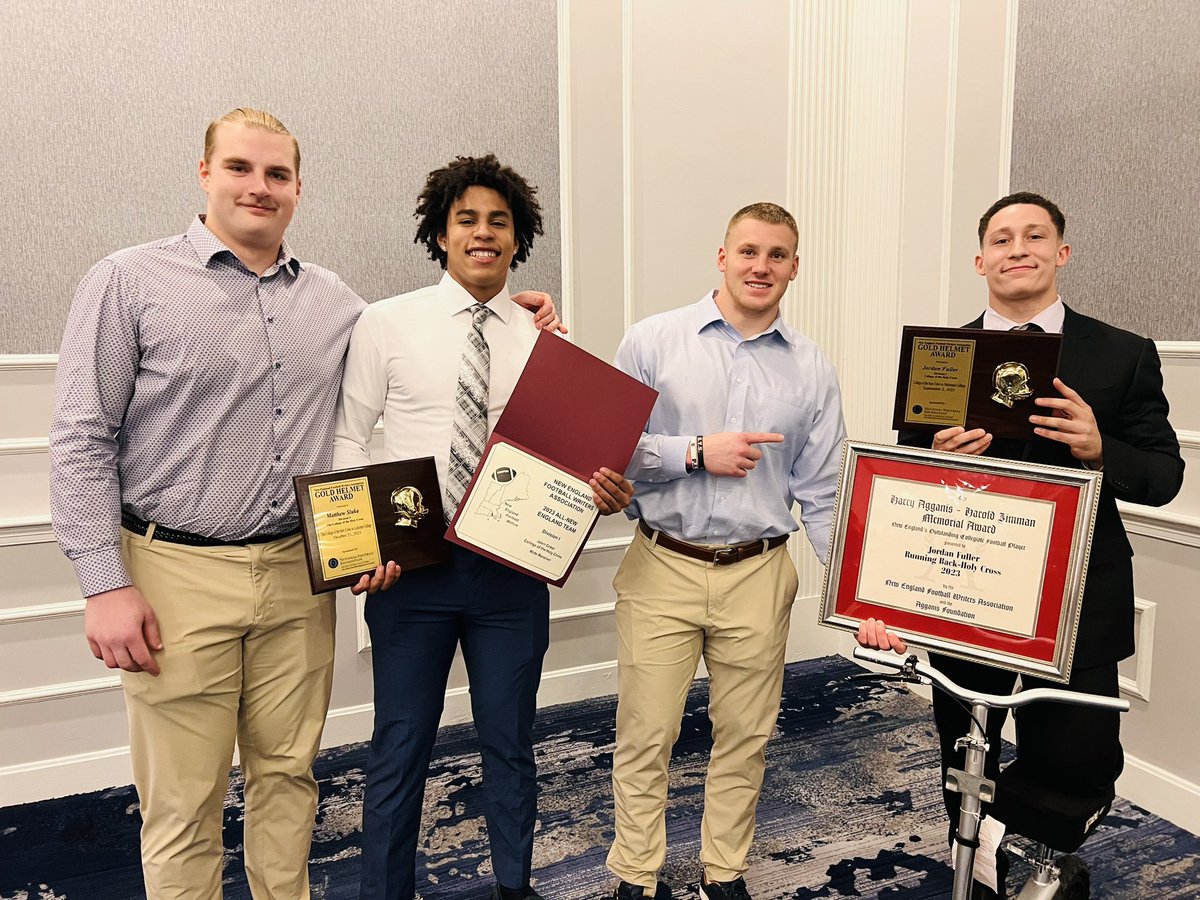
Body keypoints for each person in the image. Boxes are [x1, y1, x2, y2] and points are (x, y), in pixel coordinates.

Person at [48, 110, 562, 899]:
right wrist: (102, 580)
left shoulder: (336, 303)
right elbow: (82, 436)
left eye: (278, 175)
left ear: (297, 189)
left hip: (296, 568)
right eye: (242, 169)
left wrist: (510, 311)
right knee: (186, 800)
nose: (260, 187)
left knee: (289, 776)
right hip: (177, 568)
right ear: (205, 173)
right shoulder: (129, 280)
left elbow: (448, 343)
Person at [332, 153, 634, 900]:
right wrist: (360, 549)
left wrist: (599, 488)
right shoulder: (384, 323)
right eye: (466, 219)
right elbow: (348, 435)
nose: (483, 233)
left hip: (510, 576)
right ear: (440, 233)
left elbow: (569, 461)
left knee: (510, 742)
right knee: (400, 745)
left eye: (499, 221)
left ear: (517, 237)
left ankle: (513, 885)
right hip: (412, 574)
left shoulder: (548, 344)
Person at [866, 191, 1184, 898]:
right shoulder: (941, 355)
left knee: (1078, 760)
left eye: (1034, 236)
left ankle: (1035, 856)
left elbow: (1164, 476)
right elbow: (910, 478)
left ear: (1061, 252)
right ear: (980, 261)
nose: (1018, 249)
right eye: (1002, 239)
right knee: (964, 747)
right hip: (965, 583)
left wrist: (1102, 449)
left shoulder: (1122, 354)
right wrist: (942, 457)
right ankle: (975, 865)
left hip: (1075, 596)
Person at [606, 202, 879, 900]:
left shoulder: (812, 368)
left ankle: (723, 870)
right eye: (749, 251)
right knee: (646, 734)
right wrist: (696, 451)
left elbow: (821, 494)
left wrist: (860, 596)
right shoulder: (652, 341)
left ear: (795, 267)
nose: (762, 266)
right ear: (721, 257)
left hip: (759, 571)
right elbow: (609, 452)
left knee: (747, 735)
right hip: (663, 561)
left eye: (778, 255)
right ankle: (636, 873)